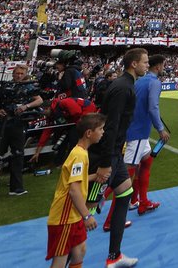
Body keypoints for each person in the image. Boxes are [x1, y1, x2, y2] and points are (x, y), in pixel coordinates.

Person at [86, 47, 149, 268]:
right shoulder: (123, 88)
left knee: (124, 194)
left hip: (115, 154)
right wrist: (105, 164)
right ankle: (66, 257)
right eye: (145, 62)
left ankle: (114, 257)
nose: (147, 66)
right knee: (87, 210)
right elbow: (110, 126)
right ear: (133, 64)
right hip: (108, 155)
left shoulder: (126, 85)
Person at [46, 113, 105, 268]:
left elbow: (76, 179)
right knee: (61, 258)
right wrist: (87, 216)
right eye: (100, 129)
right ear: (89, 133)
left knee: (80, 250)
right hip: (65, 217)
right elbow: (74, 191)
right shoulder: (79, 155)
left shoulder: (81, 152)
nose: (103, 132)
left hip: (73, 214)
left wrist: (95, 176)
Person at [0, 64, 44, 200]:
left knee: (18, 155)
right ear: (13, 73)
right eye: (17, 73)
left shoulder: (28, 87)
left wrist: (26, 106)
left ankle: (16, 188)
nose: (19, 76)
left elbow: (39, 100)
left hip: (18, 124)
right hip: (1, 124)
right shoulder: (3, 87)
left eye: (22, 73)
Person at [125, 55, 169, 216]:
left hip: (136, 128)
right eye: (163, 65)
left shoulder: (140, 80)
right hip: (138, 131)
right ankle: (108, 211)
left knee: (146, 163)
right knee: (128, 171)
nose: (164, 68)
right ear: (158, 67)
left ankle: (141, 202)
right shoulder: (154, 82)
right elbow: (153, 107)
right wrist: (160, 129)